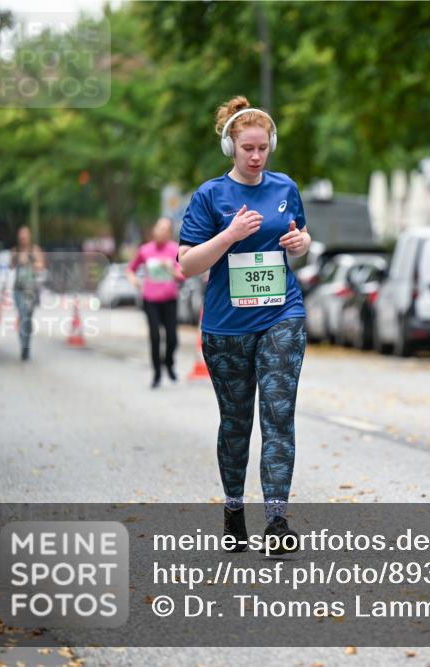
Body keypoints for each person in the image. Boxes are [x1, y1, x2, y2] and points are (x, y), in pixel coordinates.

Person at [177, 96, 311, 554]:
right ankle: (234, 509)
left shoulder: (284, 188)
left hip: (282, 315)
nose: (256, 156)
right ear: (230, 148)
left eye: (262, 148)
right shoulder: (210, 196)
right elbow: (187, 265)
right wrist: (230, 235)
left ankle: (276, 521)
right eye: (247, 148)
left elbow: (301, 239)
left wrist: (302, 241)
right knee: (236, 423)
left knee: (278, 416)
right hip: (227, 326)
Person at [127, 217, 184, 388]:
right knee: (154, 336)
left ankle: (169, 362)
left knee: (172, 338)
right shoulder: (145, 250)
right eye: (159, 228)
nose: (161, 232)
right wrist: (133, 280)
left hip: (169, 299)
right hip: (150, 300)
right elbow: (130, 269)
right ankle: (157, 373)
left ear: (169, 233)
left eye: (165, 229)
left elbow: (183, 274)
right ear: (154, 231)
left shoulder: (175, 250)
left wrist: (173, 272)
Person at [9, 226, 46, 360]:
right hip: (18, 290)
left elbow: (41, 265)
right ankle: (23, 344)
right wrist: (15, 258)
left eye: (25, 235)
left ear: (29, 236)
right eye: (21, 235)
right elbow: (10, 266)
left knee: (28, 318)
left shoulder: (34, 250)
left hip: (31, 290)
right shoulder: (16, 251)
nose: (23, 238)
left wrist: (30, 262)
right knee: (22, 314)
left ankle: (26, 345)